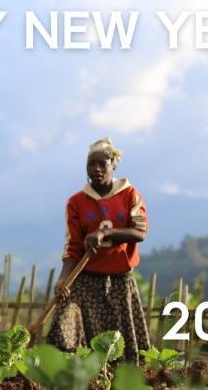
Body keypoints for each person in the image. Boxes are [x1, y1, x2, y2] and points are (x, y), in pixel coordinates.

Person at [46, 138, 150, 363]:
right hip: (84, 279)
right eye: (91, 164)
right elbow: (73, 245)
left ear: (113, 165)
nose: (96, 169)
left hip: (119, 279)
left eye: (102, 163)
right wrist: (64, 279)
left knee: (119, 342)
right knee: (63, 327)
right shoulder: (77, 202)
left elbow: (139, 232)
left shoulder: (130, 195)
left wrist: (105, 234)